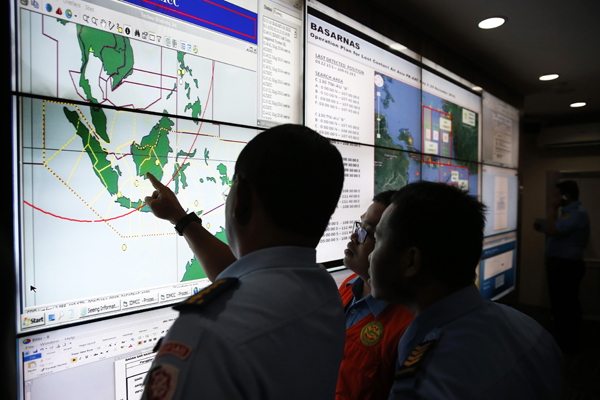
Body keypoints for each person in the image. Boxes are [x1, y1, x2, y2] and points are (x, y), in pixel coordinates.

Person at [141, 124, 346, 400]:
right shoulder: (323, 292)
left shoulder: (206, 333)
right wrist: (181, 219)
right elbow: (248, 279)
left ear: (240, 200)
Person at [368, 181, 563, 400]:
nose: (370, 254)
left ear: (411, 260)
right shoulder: (531, 329)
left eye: (377, 240)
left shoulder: (427, 383)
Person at [336, 191, 413, 400]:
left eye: (367, 233)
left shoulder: (408, 327)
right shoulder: (348, 287)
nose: (354, 237)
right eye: (358, 227)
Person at [535, 180, 590, 352]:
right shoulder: (569, 214)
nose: (554, 198)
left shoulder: (577, 214)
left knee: (566, 305)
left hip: (566, 266)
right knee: (561, 304)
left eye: (557, 195)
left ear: (566, 196)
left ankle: (567, 343)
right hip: (561, 265)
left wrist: (551, 208)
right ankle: (563, 339)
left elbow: (553, 231)